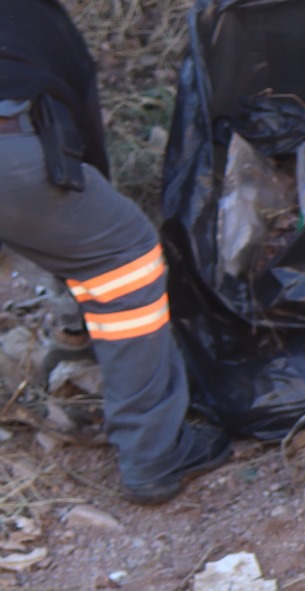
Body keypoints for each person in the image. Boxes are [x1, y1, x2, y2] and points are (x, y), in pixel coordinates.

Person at [0, 0, 230, 503]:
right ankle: (154, 451)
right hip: (8, 151)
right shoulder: (32, 15)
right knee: (123, 256)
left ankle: (71, 338)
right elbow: (80, 156)